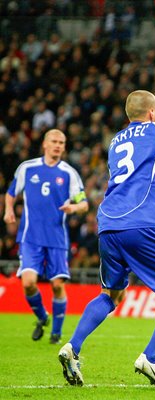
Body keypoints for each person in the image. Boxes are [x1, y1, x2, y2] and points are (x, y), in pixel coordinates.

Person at [57, 90, 155, 388]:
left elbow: (127, 183)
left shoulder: (117, 141)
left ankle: (72, 347)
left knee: (111, 294)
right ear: (153, 112)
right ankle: (150, 357)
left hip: (108, 224)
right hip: (142, 224)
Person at [4, 129, 89, 344]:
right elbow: (12, 191)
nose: (58, 145)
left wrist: (74, 207)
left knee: (58, 285)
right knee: (29, 283)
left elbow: (85, 203)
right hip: (30, 237)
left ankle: (56, 333)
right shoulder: (27, 168)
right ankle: (43, 317)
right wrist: (9, 210)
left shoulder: (69, 173)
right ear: (44, 144)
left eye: (61, 142)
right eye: (54, 141)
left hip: (57, 238)